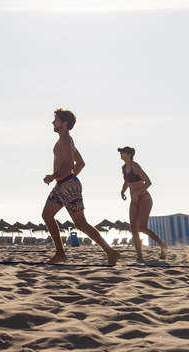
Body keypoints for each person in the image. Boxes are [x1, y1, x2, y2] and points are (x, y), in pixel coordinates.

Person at [41, 108, 120, 266]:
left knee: (80, 223)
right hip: (62, 185)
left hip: (67, 184)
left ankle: (111, 252)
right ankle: (60, 253)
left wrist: (56, 176)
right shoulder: (66, 140)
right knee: (47, 215)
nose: (52, 122)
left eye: (55, 120)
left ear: (64, 123)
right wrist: (64, 179)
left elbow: (70, 164)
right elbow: (81, 163)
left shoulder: (65, 140)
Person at [119, 146, 169, 262]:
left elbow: (148, 182)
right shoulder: (124, 167)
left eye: (123, 152)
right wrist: (122, 191)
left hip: (144, 198)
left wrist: (138, 192)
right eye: (120, 152)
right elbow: (126, 182)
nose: (120, 154)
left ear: (129, 155)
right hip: (134, 200)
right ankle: (139, 256)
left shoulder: (135, 166)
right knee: (133, 227)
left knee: (142, 227)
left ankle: (162, 245)